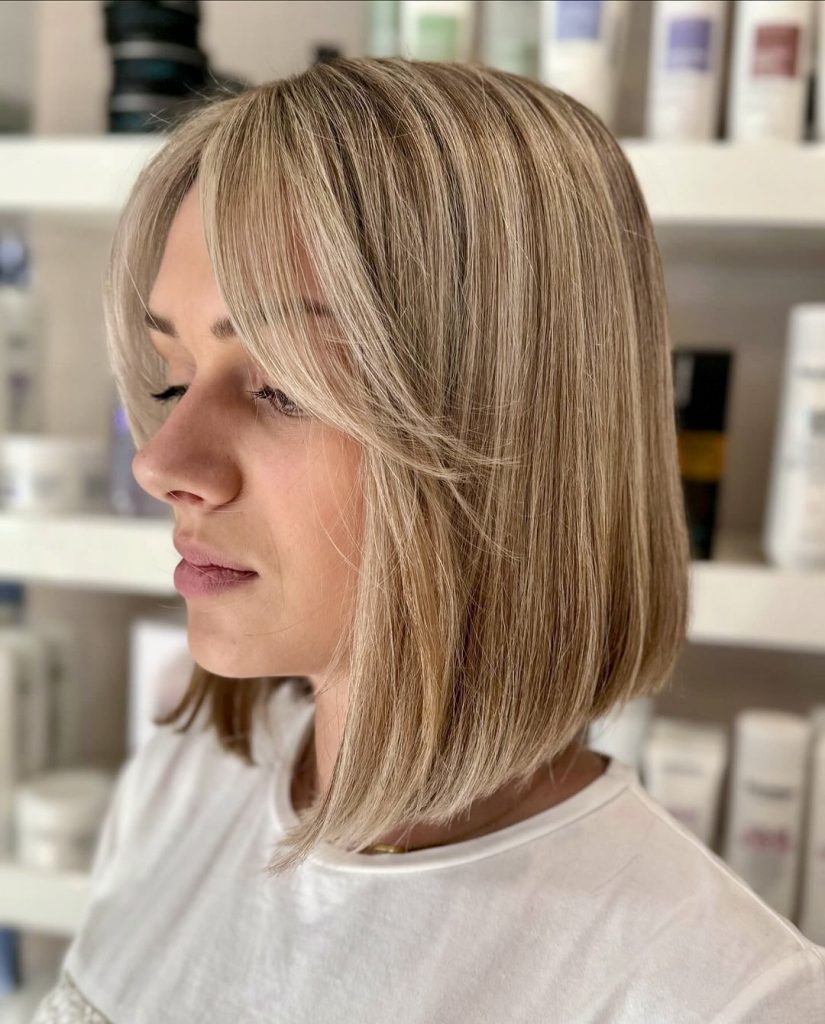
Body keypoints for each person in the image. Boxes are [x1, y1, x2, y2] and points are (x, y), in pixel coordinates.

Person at [33, 57, 825, 1022]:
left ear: (518, 436)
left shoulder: (720, 997)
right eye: (173, 376)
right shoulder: (183, 777)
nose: (161, 460)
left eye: (282, 386)